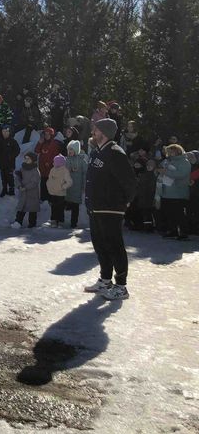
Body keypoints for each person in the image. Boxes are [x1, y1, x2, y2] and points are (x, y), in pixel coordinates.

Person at [84, 118, 137, 301]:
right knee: (100, 244)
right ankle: (105, 279)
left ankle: (121, 286)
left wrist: (125, 202)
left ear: (104, 132)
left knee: (115, 245)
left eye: (96, 130)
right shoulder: (96, 152)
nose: (93, 132)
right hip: (96, 207)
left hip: (111, 208)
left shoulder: (115, 152)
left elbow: (130, 182)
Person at [158, 144, 191, 240]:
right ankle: (173, 230)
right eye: (168, 151)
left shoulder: (184, 162)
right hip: (167, 192)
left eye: (171, 151)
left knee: (179, 213)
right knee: (169, 213)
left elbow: (181, 174)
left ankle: (183, 232)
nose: (169, 153)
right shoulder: (167, 161)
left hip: (178, 192)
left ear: (178, 151)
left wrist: (165, 172)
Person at [12, 152, 41, 228]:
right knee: (21, 208)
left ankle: (32, 224)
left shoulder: (35, 170)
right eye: (25, 158)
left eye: (28, 158)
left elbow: (34, 182)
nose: (26, 160)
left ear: (33, 160)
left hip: (32, 193)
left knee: (32, 210)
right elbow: (17, 178)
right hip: (23, 193)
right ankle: (18, 222)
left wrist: (26, 187)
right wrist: (19, 186)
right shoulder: (22, 169)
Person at [43, 154, 73, 228]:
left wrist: (63, 187)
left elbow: (69, 182)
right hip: (53, 193)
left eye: (55, 161)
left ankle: (60, 221)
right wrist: (49, 186)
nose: (54, 163)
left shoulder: (65, 171)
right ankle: (53, 220)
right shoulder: (52, 169)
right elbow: (49, 179)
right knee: (53, 207)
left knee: (60, 208)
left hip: (61, 193)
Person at [64, 140, 88, 229]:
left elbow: (85, 172)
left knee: (75, 205)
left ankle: (74, 222)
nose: (70, 152)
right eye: (69, 150)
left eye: (72, 150)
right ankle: (62, 219)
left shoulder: (81, 160)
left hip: (77, 186)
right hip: (68, 186)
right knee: (67, 201)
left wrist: (84, 184)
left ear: (76, 150)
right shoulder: (67, 159)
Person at [35, 127, 59, 201]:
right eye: (45, 134)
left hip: (50, 167)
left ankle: (49, 198)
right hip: (42, 167)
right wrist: (39, 143)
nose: (46, 136)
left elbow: (55, 155)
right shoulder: (42, 142)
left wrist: (50, 163)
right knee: (43, 183)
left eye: (48, 134)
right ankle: (43, 197)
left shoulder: (54, 143)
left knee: (50, 183)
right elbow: (36, 151)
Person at [0, 125, 20, 197]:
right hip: (1, 163)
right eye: (3, 131)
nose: (5, 133)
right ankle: (4, 189)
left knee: (10, 177)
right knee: (3, 177)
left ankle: (11, 190)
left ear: (9, 132)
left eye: (6, 131)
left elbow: (17, 150)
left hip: (10, 163)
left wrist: (11, 156)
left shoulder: (13, 141)